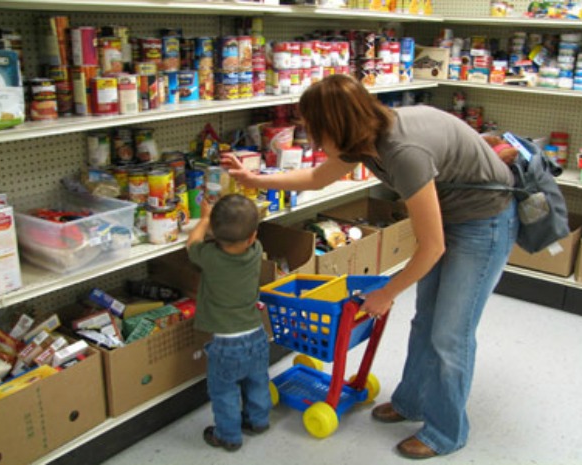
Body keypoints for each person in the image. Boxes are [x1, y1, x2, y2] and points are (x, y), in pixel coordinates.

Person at [221, 74, 519, 459]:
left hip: (485, 223)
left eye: (314, 129)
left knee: (450, 335)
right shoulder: (363, 135)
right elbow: (314, 178)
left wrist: (386, 293)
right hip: (452, 215)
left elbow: (432, 247)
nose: (311, 138)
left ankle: (447, 432)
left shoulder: (402, 151)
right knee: (426, 321)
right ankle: (410, 403)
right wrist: (254, 180)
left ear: (336, 126)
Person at [186, 193, 271, 452]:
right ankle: (258, 421)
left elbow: (192, 244)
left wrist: (204, 220)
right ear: (252, 237)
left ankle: (228, 436)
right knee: (258, 382)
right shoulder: (256, 251)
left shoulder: (209, 257)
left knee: (225, 393)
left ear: (214, 233)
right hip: (257, 335)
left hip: (226, 344)